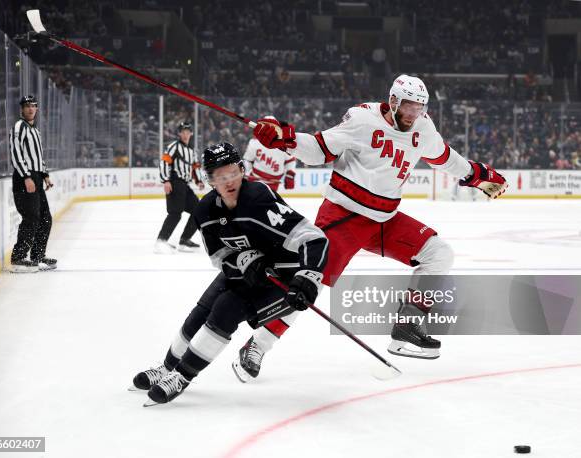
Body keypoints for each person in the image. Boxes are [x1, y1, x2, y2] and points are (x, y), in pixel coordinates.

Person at [232, 74, 508, 380]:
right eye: (407, 107)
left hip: (384, 219)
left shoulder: (423, 127)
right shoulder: (362, 119)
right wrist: (288, 139)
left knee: (439, 254)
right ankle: (257, 344)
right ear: (392, 101)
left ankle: (407, 325)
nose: (413, 114)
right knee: (308, 284)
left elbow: (445, 158)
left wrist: (477, 174)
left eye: (419, 108)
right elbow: (320, 149)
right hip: (343, 217)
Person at [132, 142, 328, 405]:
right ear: (210, 180)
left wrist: (306, 279)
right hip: (244, 272)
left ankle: (181, 376)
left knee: (226, 309)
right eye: (220, 176)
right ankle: (166, 368)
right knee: (201, 311)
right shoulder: (205, 211)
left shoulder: (259, 199)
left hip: (283, 278)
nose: (229, 180)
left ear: (242, 169)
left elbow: (314, 240)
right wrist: (244, 260)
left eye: (233, 172)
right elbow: (219, 256)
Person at [9, 95, 57, 273]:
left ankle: (37, 256)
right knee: (31, 218)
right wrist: (26, 176)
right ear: (22, 109)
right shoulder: (18, 127)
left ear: (37, 109)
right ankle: (18, 258)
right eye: (27, 106)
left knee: (45, 218)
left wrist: (45, 175)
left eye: (33, 106)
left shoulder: (35, 131)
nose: (30, 109)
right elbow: (15, 153)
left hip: (36, 177)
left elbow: (38, 156)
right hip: (25, 178)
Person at [154, 121, 203, 254]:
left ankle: (184, 240)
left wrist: (199, 181)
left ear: (191, 133)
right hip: (175, 183)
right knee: (175, 213)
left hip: (184, 186)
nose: (186, 134)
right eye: (183, 132)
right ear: (179, 133)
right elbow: (164, 162)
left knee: (198, 211)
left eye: (188, 132)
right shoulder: (173, 146)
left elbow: (195, 167)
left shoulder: (191, 151)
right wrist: (166, 180)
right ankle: (161, 242)